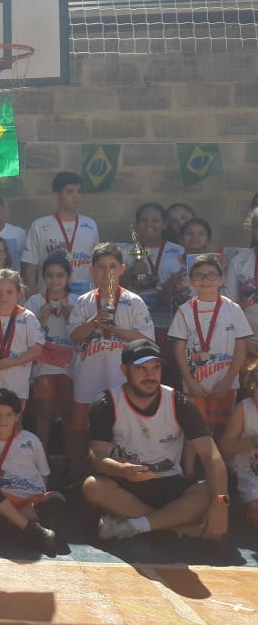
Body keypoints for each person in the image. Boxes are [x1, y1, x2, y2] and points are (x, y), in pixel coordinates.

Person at [82, 339, 229, 541]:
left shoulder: (180, 403)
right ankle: (173, 524)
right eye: (141, 369)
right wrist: (121, 469)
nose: (150, 375)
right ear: (124, 370)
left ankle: (133, 526)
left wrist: (221, 506)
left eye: (155, 368)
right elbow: (97, 457)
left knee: (206, 491)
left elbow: (211, 456)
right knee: (92, 487)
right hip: (127, 483)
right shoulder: (106, 403)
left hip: (170, 481)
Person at [68, 243, 153, 479]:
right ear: (92, 269)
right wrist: (94, 321)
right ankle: (77, 474)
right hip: (88, 379)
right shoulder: (83, 301)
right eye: (101, 267)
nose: (107, 273)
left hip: (120, 380)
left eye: (113, 267)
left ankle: (121, 476)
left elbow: (147, 340)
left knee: (122, 432)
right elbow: (74, 336)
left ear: (123, 269)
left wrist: (116, 329)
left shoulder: (134, 301)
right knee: (80, 430)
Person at [168, 254, 253, 436]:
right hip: (194, 386)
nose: (205, 280)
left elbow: (241, 348)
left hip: (225, 386)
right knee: (194, 433)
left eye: (212, 275)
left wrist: (228, 381)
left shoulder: (234, 309)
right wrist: (190, 382)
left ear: (222, 279)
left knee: (223, 431)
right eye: (199, 275)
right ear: (191, 281)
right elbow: (179, 349)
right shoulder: (184, 311)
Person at [0, 388, 61, 554]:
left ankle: (11, 522)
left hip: (28, 501)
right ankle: (32, 530)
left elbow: (44, 475)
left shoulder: (31, 440)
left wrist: (38, 499)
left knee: (56, 500)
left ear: (17, 417)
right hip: (1, 500)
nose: (3, 420)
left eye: (9, 415)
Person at [25, 255, 78, 457]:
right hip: (43, 365)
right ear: (43, 277)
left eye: (60, 275)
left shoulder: (78, 301)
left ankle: (72, 461)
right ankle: (41, 458)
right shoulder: (34, 301)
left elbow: (84, 335)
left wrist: (72, 316)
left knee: (68, 412)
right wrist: (41, 318)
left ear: (68, 277)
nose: (54, 281)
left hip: (69, 366)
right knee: (43, 412)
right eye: (49, 276)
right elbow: (25, 336)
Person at [21, 172, 100, 297]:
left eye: (79, 192)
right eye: (70, 192)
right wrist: (34, 300)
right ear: (56, 195)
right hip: (49, 298)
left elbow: (97, 265)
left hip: (84, 297)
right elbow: (30, 267)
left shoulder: (90, 225)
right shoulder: (39, 226)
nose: (76, 196)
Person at [0, 269, 43, 411]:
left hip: (17, 380)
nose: (3, 296)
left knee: (15, 419)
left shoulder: (28, 317)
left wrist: (11, 362)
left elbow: (37, 350)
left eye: (9, 292)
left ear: (20, 293)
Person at [122, 202, 185, 346]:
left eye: (155, 220)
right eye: (144, 221)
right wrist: (131, 273)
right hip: (134, 323)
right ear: (136, 225)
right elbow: (117, 288)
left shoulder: (178, 251)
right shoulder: (126, 252)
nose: (149, 224)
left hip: (169, 322)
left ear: (164, 224)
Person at [220, 395, 258, 528]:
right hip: (248, 474)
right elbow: (224, 447)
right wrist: (253, 442)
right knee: (255, 504)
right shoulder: (244, 409)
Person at [225, 207, 258, 334]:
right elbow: (229, 303)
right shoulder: (239, 261)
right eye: (257, 225)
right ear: (252, 230)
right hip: (247, 337)